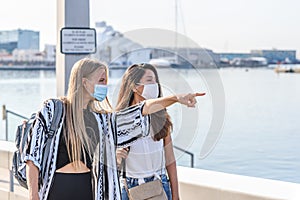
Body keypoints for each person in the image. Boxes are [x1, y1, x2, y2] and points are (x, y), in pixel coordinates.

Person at [24, 58, 204, 200]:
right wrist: (33, 196)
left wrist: (176, 98)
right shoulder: (54, 109)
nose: (105, 86)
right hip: (58, 187)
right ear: (84, 82)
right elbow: (33, 156)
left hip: (89, 190)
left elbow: (141, 110)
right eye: (101, 80)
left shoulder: (102, 119)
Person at [115, 63, 205, 200]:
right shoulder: (120, 119)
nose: (155, 85)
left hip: (159, 185)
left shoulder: (161, 117)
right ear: (134, 86)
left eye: (156, 80)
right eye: (150, 80)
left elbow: (170, 160)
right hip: (130, 187)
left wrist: (176, 195)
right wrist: (116, 156)